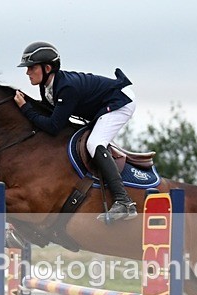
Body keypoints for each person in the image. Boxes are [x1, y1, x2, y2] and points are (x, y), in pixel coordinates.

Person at [13, 41, 138, 221]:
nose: (27, 72)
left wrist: (25, 108)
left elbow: (53, 127)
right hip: (104, 104)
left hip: (120, 101)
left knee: (94, 143)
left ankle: (124, 202)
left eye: (31, 67)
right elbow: (50, 115)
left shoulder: (66, 88)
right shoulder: (47, 86)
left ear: (47, 68)